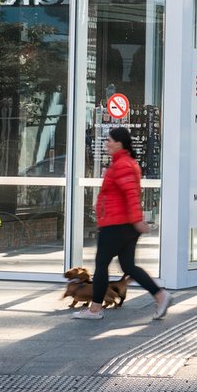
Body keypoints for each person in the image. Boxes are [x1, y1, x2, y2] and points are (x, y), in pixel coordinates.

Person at [76, 125, 171, 320]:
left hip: (116, 225)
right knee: (128, 266)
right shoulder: (124, 163)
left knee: (101, 264)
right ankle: (160, 295)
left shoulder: (122, 165)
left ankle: (95, 309)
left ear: (119, 143)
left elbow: (131, 195)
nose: (106, 143)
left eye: (109, 140)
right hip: (123, 224)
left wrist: (137, 220)